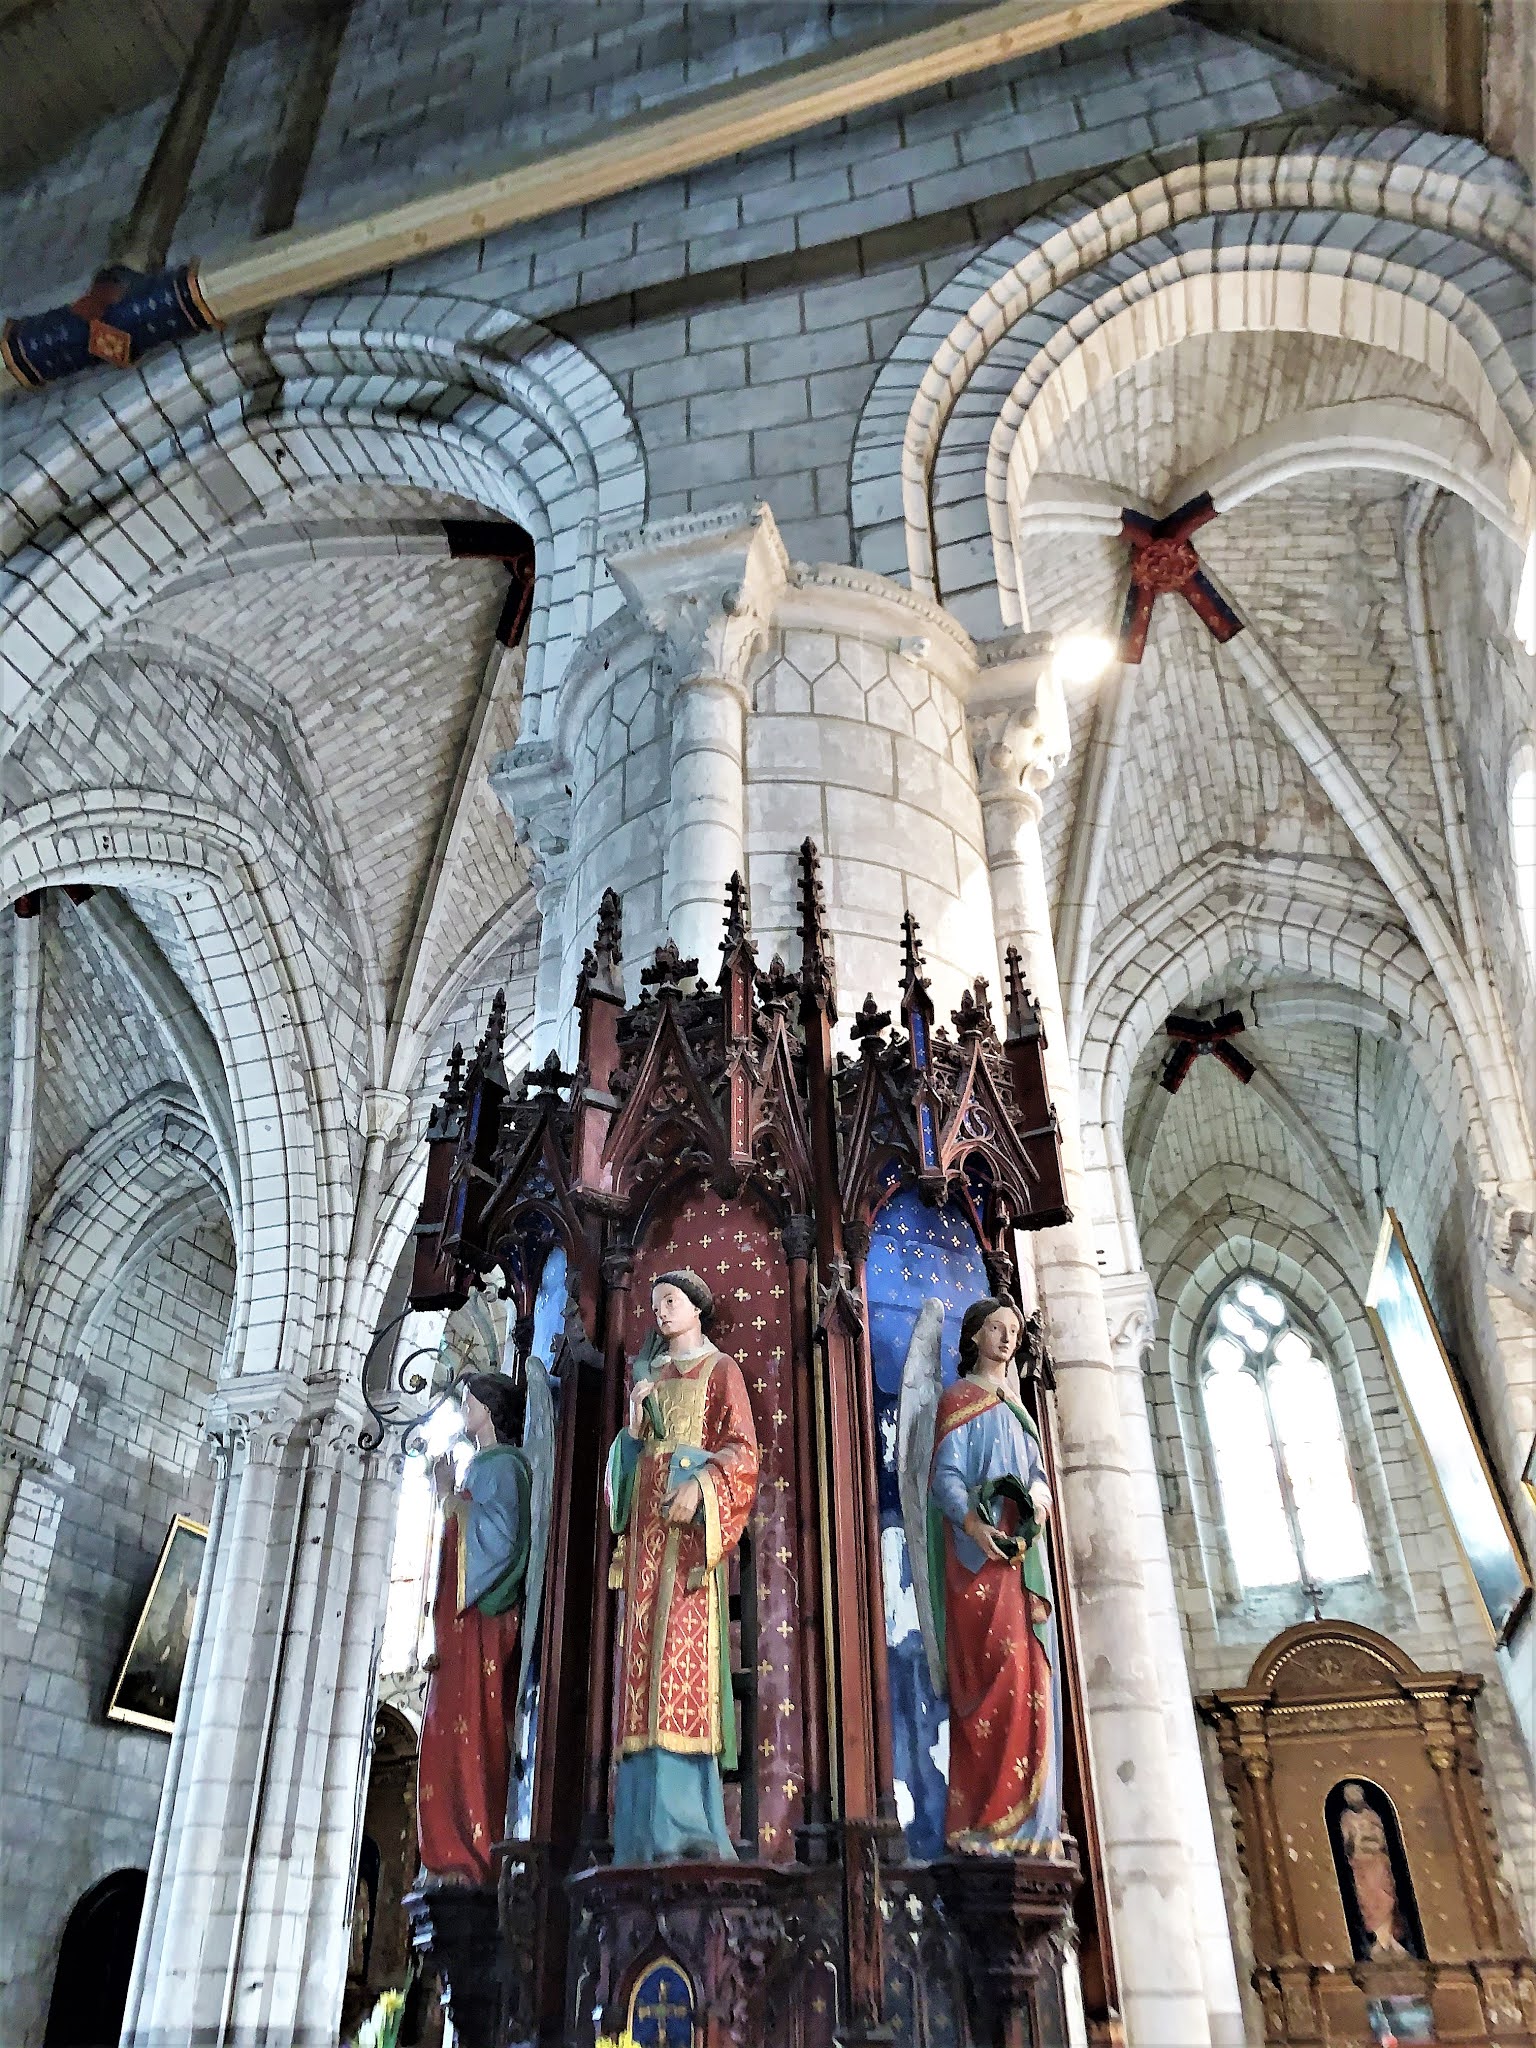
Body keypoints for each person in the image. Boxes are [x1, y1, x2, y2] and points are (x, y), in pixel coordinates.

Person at [606, 1269, 759, 1863]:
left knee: (680, 1663)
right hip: (646, 1541)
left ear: (696, 1308)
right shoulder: (651, 1377)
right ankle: (639, 1830)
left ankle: (687, 1824)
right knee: (640, 1668)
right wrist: (633, 1426)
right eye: (655, 1305)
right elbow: (625, 1466)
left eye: (670, 1301)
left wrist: (700, 1487)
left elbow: (742, 1451)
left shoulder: (720, 1370)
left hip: (690, 1544)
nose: (661, 1313)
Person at [928, 1296, 1062, 1854]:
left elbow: (1037, 1476)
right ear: (974, 1337)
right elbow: (946, 1476)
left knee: (1035, 1676)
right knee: (998, 1677)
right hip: (980, 1562)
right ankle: (987, 1820)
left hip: (1023, 1559)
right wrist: (974, 1525)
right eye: (996, 1328)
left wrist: (1040, 1504)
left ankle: (1036, 1827)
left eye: (1014, 1331)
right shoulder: (959, 1400)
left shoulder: (1019, 1408)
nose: (1007, 1339)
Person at [417, 1372, 531, 1886]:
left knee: (473, 1731)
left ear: (490, 1409)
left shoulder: (505, 1466)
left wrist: (451, 1498)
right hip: (457, 1626)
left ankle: (473, 1853)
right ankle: (445, 1850)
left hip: (481, 1621)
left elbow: (502, 1540)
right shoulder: (481, 1466)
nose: (465, 1409)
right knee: (446, 1731)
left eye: (470, 1402)